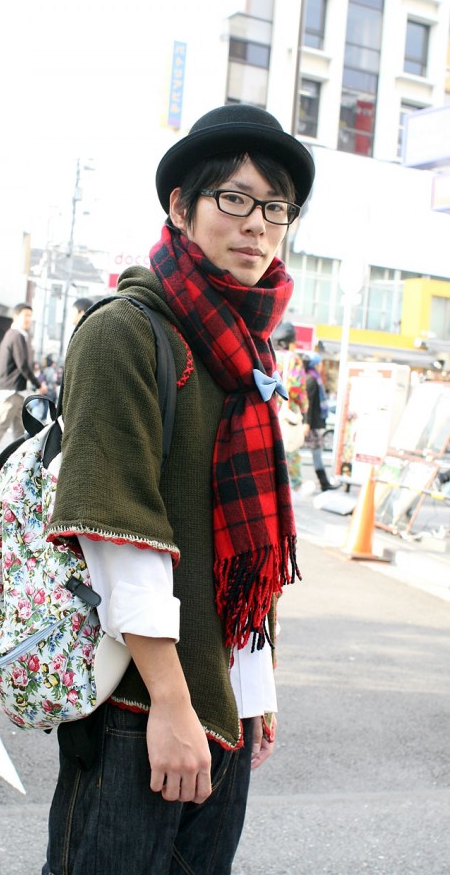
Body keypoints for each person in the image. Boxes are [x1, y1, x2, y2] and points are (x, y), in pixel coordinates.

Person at [41, 103, 315, 875]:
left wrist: (252, 686)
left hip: (219, 707)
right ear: (180, 206)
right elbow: (115, 529)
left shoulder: (250, 353)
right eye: (233, 198)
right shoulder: (127, 332)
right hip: (140, 709)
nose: (256, 224)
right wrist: (170, 702)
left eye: (275, 207)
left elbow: (245, 549)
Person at [0, 303, 47, 470]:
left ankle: (24, 461)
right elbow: (22, 364)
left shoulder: (15, 335)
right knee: (2, 424)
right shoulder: (16, 335)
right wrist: (38, 385)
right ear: (16, 316)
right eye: (25, 315)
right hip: (12, 390)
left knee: (20, 429)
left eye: (30, 316)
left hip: (16, 390)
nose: (28, 319)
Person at [273, 321, 311, 493]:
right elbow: (296, 387)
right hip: (288, 411)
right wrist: (303, 406)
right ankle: (295, 484)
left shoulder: (271, 355)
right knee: (292, 448)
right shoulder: (293, 359)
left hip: (272, 408)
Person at [304, 352, 339, 491]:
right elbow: (310, 404)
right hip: (312, 425)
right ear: (315, 364)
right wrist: (307, 423)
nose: (321, 366)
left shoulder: (313, 378)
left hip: (313, 424)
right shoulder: (312, 380)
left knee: (316, 452)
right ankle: (324, 483)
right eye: (319, 363)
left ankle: (324, 483)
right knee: (317, 452)